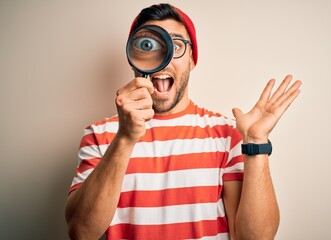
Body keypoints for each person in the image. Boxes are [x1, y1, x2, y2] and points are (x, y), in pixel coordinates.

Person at [65, 3, 302, 240]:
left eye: (176, 45)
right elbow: (81, 233)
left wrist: (256, 143)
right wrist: (125, 138)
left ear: (192, 59)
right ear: (132, 58)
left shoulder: (227, 134)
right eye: (148, 45)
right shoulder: (100, 135)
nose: (164, 59)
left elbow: (254, 239)